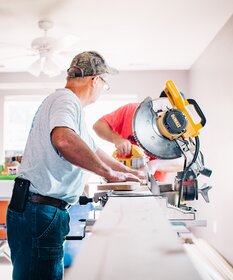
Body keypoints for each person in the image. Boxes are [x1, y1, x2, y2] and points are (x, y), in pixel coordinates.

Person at [6, 51, 142, 280]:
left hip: (37, 208)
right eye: (104, 84)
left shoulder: (67, 105)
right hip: (40, 210)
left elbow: (92, 148)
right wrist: (109, 174)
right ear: (95, 80)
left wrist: (126, 172)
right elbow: (64, 140)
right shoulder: (66, 100)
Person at [93, 103, 183, 181]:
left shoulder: (180, 130)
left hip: (153, 183)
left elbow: (183, 162)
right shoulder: (132, 110)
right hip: (121, 178)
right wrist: (116, 139)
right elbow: (98, 125)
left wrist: (155, 165)